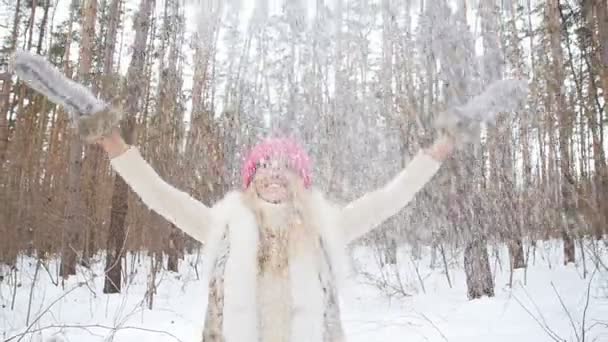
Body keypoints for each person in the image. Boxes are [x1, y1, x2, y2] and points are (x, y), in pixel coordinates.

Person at [10, 49, 528, 342]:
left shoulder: (327, 223)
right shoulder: (224, 224)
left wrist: (441, 144)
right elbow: (159, 195)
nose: (274, 175)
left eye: (286, 168)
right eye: (263, 167)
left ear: (300, 179)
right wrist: (111, 140)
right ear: (251, 177)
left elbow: (393, 196)